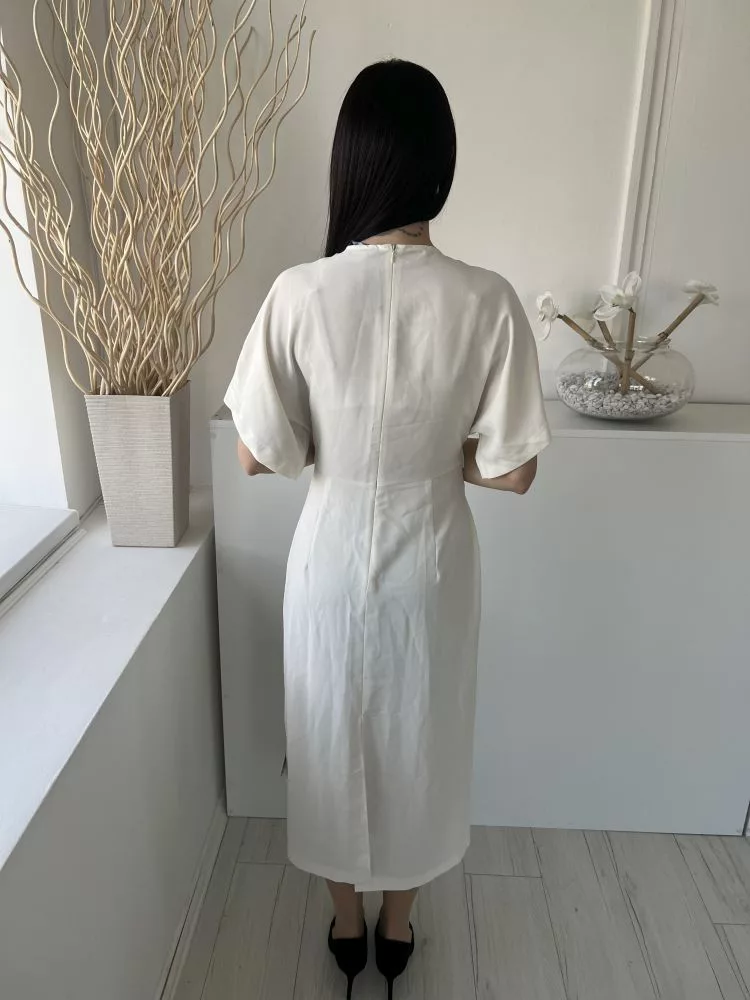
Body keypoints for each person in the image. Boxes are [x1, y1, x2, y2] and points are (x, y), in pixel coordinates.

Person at [224, 59, 550, 1000]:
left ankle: (344, 920)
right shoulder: (486, 299)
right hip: (434, 562)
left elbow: (255, 455)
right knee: (421, 739)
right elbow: (516, 469)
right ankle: (399, 924)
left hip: (329, 560)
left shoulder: (299, 292)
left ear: (349, 164)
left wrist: (341, 445)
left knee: (329, 732)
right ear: (441, 165)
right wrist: (438, 456)